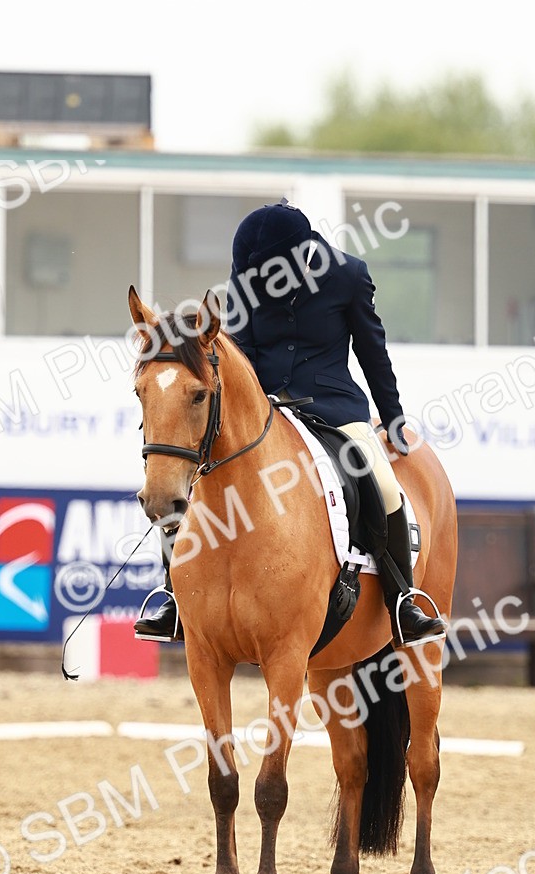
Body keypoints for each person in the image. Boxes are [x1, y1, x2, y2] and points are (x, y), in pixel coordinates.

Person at [134, 200, 444, 647]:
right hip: (266, 410)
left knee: (383, 483)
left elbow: (372, 353)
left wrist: (392, 418)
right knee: (189, 482)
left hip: (333, 408)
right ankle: (174, 598)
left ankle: (402, 601)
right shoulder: (246, 279)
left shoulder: (348, 275)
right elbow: (242, 353)